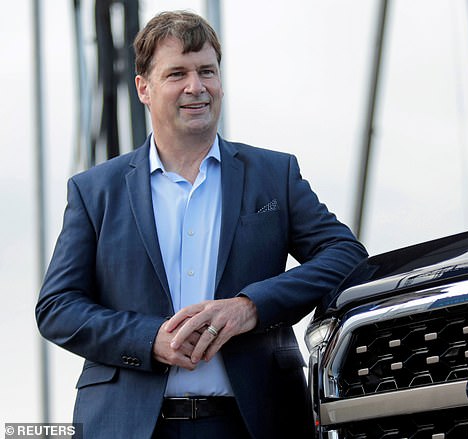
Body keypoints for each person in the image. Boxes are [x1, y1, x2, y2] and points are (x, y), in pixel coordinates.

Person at [36, 10, 367, 439]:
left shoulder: (274, 174)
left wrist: (248, 307)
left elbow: (346, 256)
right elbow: (57, 307)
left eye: (206, 71)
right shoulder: (95, 191)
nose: (196, 87)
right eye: (177, 74)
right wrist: (148, 339)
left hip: (255, 422)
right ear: (144, 88)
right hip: (128, 426)